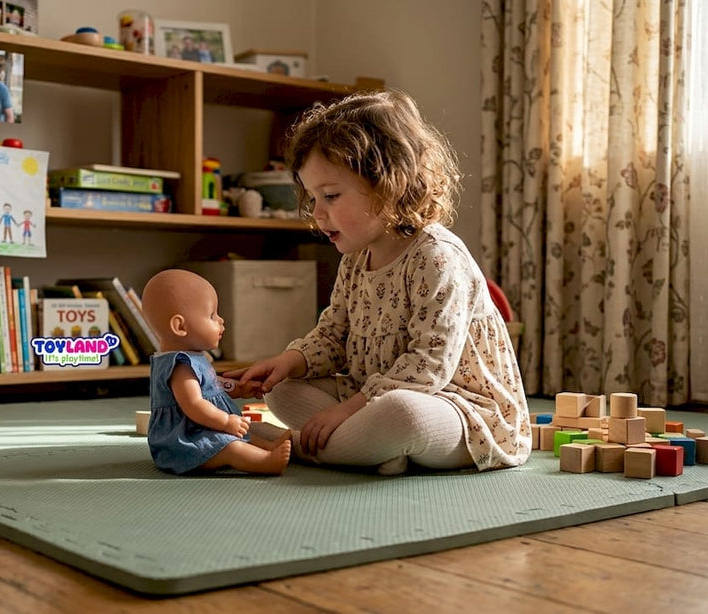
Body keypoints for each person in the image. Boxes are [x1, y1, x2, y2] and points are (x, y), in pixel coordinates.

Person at [226, 90, 531, 476]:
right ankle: (369, 448)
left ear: (390, 184)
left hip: (458, 409)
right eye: (313, 197)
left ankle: (295, 445)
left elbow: (428, 366)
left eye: (331, 196)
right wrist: (289, 362)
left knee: (401, 414)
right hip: (369, 394)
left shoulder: (437, 257)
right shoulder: (355, 258)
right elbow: (333, 335)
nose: (317, 214)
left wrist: (348, 410)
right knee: (282, 389)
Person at [142, 269, 292, 475]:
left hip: (201, 427)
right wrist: (225, 421)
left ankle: (269, 446)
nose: (221, 321)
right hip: (185, 440)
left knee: (245, 432)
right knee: (229, 445)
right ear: (180, 326)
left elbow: (211, 386)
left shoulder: (194, 357)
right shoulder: (180, 366)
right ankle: (266, 461)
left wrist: (239, 388)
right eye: (212, 315)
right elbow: (193, 403)